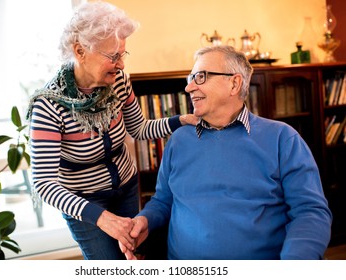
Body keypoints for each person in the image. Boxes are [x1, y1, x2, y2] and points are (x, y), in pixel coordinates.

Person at [120, 45, 333, 260]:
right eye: (190, 78)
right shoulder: (178, 140)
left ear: (234, 83)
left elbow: (309, 212)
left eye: (201, 77)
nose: (189, 88)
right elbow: (163, 201)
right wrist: (145, 220)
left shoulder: (282, 139)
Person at [26, 1, 197, 260]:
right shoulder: (49, 105)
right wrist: (103, 218)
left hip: (127, 188)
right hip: (84, 204)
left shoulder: (118, 82)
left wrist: (182, 120)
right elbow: (45, 184)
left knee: (132, 259)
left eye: (122, 55)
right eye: (112, 56)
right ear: (80, 51)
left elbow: (139, 129)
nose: (121, 65)